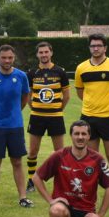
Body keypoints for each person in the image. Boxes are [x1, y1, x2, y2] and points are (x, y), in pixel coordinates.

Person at [34, 119, 109, 217]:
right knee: (56, 210)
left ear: (89, 136)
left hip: (85, 211)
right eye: (77, 134)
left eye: (84, 134)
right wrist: (51, 200)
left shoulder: (98, 159)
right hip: (65, 207)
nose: (80, 137)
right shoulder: (59, 155)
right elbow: (37, 177)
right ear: (71, 136)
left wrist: (100, 215)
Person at [74, 33, 109, 207]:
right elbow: (80, 92)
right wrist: (93, 106)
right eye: (93, 46)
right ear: (89, 48)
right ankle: (90, 194)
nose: (96, 48)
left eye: (99, 45)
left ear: (105, 48)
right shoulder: (81, 68)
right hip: (89, 118)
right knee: (91, 158)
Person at [0, 44, 32, 208]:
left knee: (17, 162)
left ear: (13, 58)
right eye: (4, 58)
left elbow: (24, 98)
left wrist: (14, 112)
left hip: (15, 126)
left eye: (10, 57)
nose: (7, 60)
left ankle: (23, 197)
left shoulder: (21, 76)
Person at [25, 41, 70, 193]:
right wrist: (35, 107)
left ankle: (61, 180)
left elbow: (67, 95)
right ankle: (31, 180)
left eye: (46, 52)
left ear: (51, 53)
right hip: (37, 117)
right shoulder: (32, 72)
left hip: (56, 116)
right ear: (37, 54)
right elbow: (29, 95)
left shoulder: (60, 72)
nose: (44, 55)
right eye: (41, 52)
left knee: (60, 152)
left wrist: (57, 109)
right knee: (32, 151)